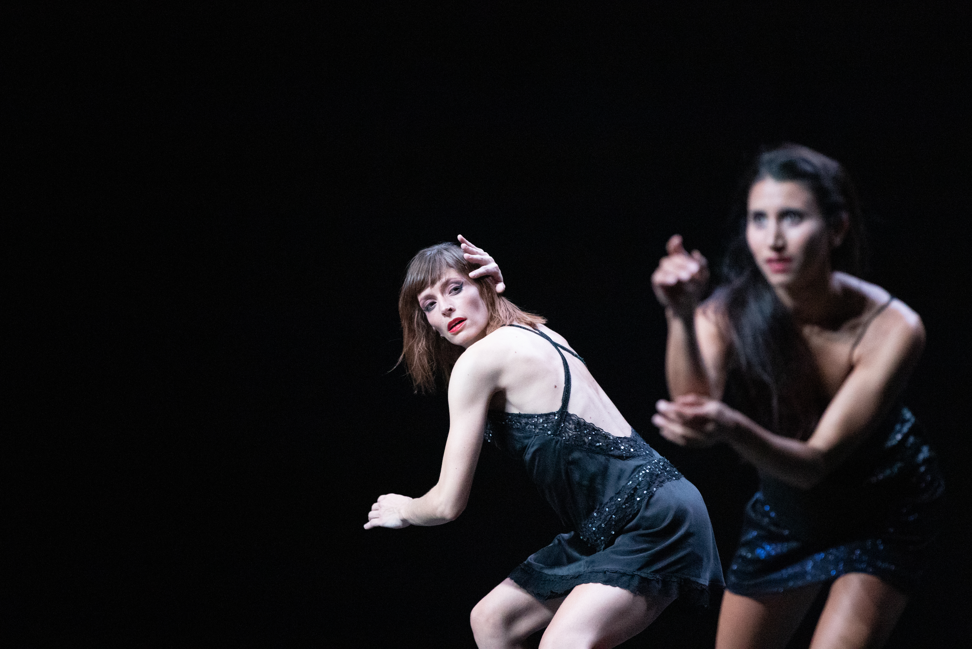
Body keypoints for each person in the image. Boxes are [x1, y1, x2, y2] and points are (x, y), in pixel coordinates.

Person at [650, 144, 946, 649]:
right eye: (759, 219)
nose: (774, 239)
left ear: (837, 228)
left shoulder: (893, 327)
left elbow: (815, 463)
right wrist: (681, 315)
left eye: (792, 217)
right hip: (789, 510)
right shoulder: (726, 312)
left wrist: (732, 427)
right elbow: (693, 406)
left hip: (882, 509)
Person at [365, 236, 724, 649]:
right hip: (616, 522)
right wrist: (493, 290)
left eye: (455, 288)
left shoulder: (477, 363)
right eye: (429, 304)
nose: (445, 308)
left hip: (652, 518)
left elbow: (447, 504)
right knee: (492, 621)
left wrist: (405, 509)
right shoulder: (536, 330)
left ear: (481, 284)